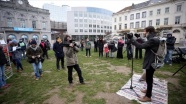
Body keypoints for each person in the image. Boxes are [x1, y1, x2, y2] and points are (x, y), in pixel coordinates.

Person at [129, 26, 160, 102]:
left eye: (145, 31)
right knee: (149, 78)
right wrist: (139, 39)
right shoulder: (154, 38)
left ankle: (148, 96)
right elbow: (146, 44)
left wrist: (132, 39)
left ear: (148, 31)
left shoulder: (152, 39)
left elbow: (141, 46)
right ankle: (148, 90)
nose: (144, 32)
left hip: (151, 61)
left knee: (149, 79)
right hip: (152, 60)